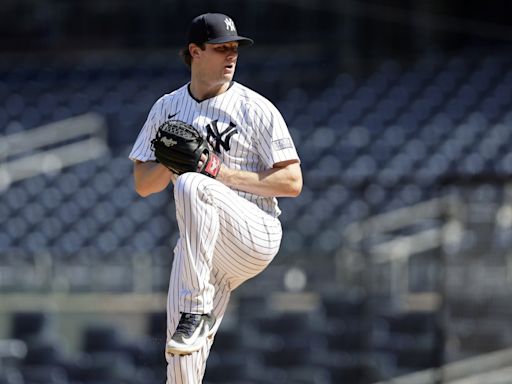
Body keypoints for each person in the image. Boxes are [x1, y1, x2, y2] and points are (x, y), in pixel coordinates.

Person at [129, 12, 302, 384]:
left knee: (192, 184)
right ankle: (193, 318)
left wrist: (215, 171)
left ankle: (195, 310)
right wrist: (168, 159)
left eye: (235, 48)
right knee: (180, 351)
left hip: (252, 230)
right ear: (195, 51)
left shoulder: (255, 108)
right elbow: (143, 184)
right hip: (201, 245)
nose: (231, 55)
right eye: (221, 48)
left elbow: (291, 181)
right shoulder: (167, 108)